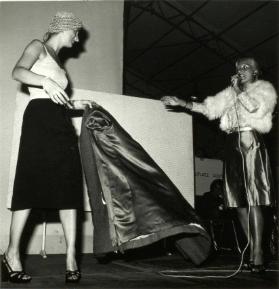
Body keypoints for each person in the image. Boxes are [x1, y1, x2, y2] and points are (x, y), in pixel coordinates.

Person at [161, 57, 277, 273]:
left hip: (250, 141)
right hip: (232, 143)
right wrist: (182, 103)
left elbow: (254, 109)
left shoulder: (264, 89)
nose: (240, 70)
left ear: (256, 72)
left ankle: (260, 253)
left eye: (245, 67)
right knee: (239, 202)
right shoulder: (230, 92)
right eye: (237, 68)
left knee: (254, 199)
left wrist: (238, 91)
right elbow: (209, 108)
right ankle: (251, 249)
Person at [2, 12, 90, 283]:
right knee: (30, 184)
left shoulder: (58, 61)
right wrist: (45, 81)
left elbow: (56, 97)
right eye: (77, 32)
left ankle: (71, 257)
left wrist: (78, 105)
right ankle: (11, 254)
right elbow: (17, 71)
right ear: (67, 29)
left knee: (68, 187)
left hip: (60, 123)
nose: (78, 39)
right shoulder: (37, 46)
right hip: (38, 121)